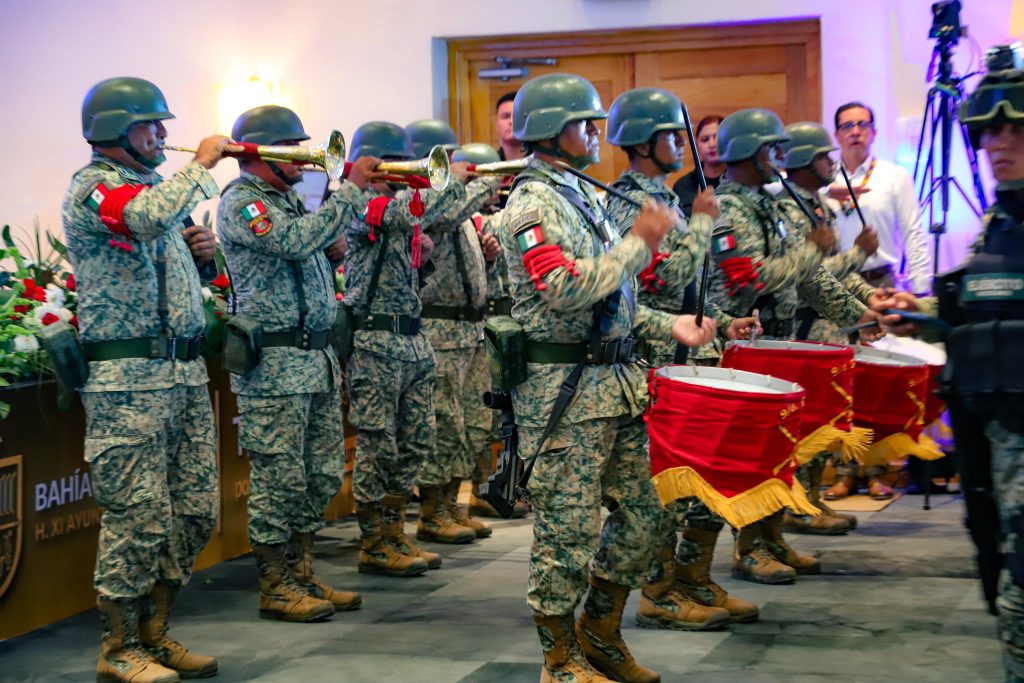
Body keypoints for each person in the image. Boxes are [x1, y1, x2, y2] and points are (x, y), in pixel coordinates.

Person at [500, 73, 716, 683]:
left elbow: (612, 302)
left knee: (647, 512)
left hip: (616, 386)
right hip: (564, 395)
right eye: (584, 123)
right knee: (566, 531)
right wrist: (639, 244)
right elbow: (562, 288)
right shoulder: (532, 203)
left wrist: (668, 324)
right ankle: (558, 658)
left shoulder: (579, 194)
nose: (597, 133)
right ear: (550, 130)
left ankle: (599, 632)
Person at [64, 76, 227, 682]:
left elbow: (161, 258)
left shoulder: (157, 190)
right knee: (138, 515)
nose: (162, 134)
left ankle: (156, 633)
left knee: (194, 511)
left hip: (182, 373)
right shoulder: (94, 188)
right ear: (115, 130)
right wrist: (202, 166)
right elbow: (141, 219)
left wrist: (201, 258)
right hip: (128, 383)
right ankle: (119, 647)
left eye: (162, 124)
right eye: (150, 124)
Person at [872, 48, 1024, 682]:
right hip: (992, 421)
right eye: (990, 131)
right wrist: (926, 312)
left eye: (1015, 130)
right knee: (998, 557)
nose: (999, 144)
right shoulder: (1002, 218)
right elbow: (991, 297)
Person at [217, 105, 381, 622]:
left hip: (314, 360)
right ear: (260, 152)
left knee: (322, 473)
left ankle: (301, 571)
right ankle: (274, 584)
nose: (306, 159)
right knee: (281, 479)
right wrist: (350, 192)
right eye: (293, 149)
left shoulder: (286, 201)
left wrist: (330, 254)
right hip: (275, 366)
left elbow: (304, 249)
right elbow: (290, 242)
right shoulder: (242, 202)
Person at [604, 87, 759, 630]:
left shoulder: (664, 197)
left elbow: (688, 290)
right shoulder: (629, 202)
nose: (681, 145)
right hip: (651, 356)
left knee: (696, 475)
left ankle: (691, 579)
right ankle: (658, 591)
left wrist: (722, 318)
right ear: (643, 142)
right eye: (670, 135)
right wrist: (702, 223)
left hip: (681, 349)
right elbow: (662, 279)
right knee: (662, 482)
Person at [705, 108, 882, 585]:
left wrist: (857, 317)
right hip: (743, 343)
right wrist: (811, 251)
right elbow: (749, 278)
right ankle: (747, 548)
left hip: (775, 341)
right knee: (750, 452)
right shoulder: (727, 208)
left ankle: (772, 537)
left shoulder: (765, 205)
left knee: (778, 448)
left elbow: (808, 279)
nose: (778, 157)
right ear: (749, 151)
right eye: (770, 148)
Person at [343, 121, 471, 578]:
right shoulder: (361, 204)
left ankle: (395, 531)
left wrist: (425, 254)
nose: (402, 170)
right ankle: (374, 541)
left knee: (417, 440)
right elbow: (406, 212)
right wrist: (450, 180)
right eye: (394, 162)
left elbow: (427, 219)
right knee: (378, 445)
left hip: (411, 339)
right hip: (376, 342)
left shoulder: (401, 208)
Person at [774, 121, 896, 533]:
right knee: (806, 422)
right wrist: (857, 256)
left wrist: (870, 297)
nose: (832, 162)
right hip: (803, 327)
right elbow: (811, 276)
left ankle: (810, 499)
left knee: (826, 418)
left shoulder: (818, 206)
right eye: (824, 155)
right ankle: (797, 506)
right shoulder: (790, 210)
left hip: (829, 327)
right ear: (804, 160)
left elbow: (838, 270)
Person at [405, 123, 500, 546]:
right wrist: (481, 182)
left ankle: (452, 504)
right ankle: (432, 510)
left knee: (472, 423)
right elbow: (442, 217)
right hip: (440, 332)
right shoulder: (423, 201)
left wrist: (488, 260)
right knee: (443, 424)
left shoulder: (454, 203)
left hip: (470, 330)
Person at [827, 101, 932, 294]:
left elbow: (913, 234)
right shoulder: (824, 180)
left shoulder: (895, 176)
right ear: (837, 136)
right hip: (836, 283)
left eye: (862, 124)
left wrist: (921, 289)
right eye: (847, 126)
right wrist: (825, 191)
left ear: (874, 133)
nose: (855, 131)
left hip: (879, 282)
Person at [672, 114, 725, 217]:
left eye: (717, 137)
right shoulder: (682, 186)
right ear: (697, 145)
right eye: (705, 139)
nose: (712, 144)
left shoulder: (739, 180)